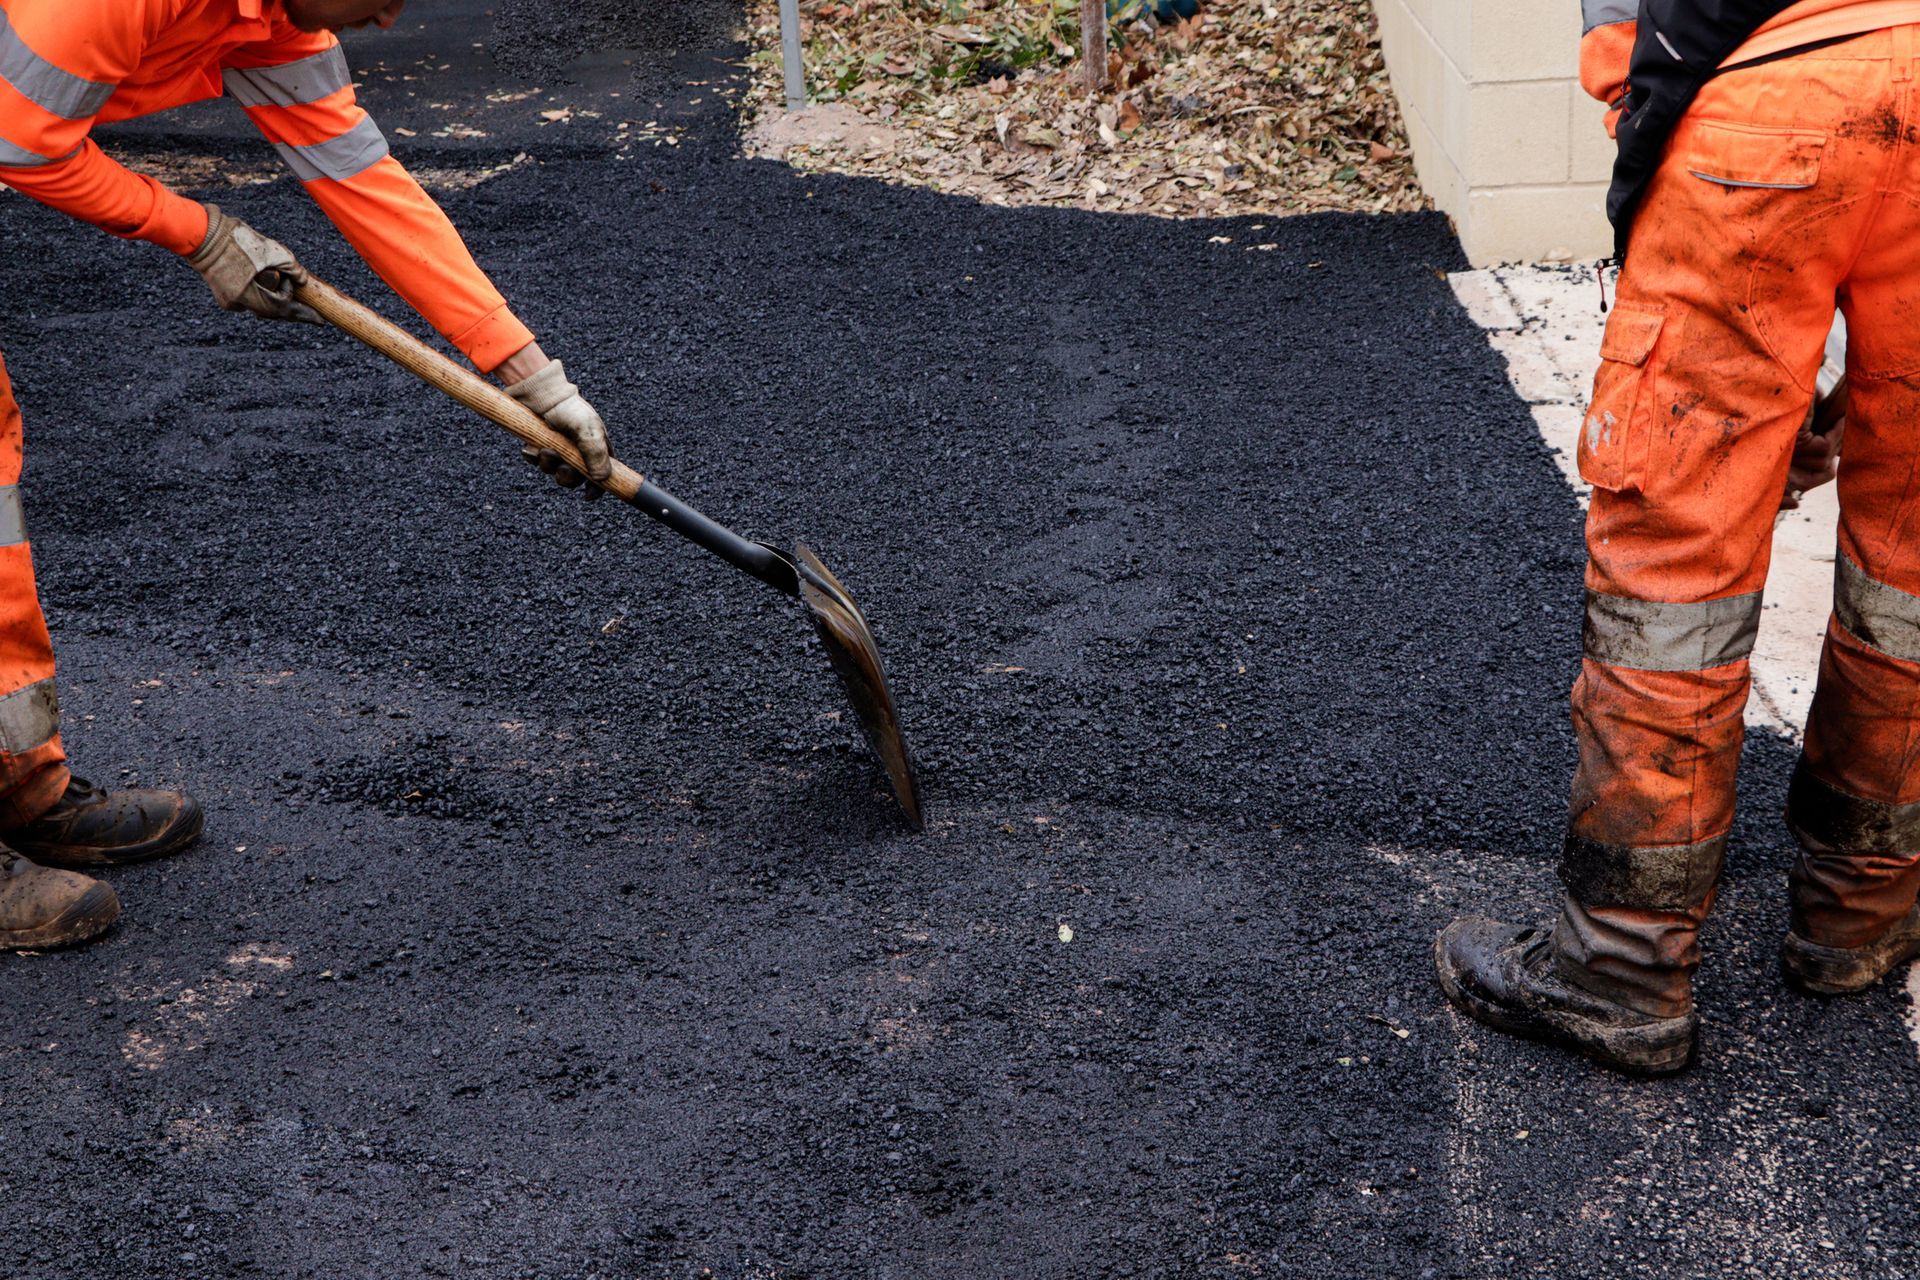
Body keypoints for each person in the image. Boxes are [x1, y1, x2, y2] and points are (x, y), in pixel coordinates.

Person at [0, 0, 610, 950]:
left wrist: (530, 376)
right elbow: (24, 142)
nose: (393, 13)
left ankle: (17, 788)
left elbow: (367, 182)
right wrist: (199, 233)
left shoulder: (284, 26)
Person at [1435, 0, 1920, 1075]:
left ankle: (1619, 964)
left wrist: (1663, 239)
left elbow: (1639, 49)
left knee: (1676, 566)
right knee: (1913, 564)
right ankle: (1860, 908)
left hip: (1767, 103)